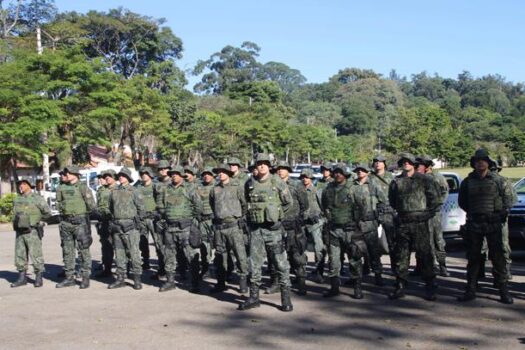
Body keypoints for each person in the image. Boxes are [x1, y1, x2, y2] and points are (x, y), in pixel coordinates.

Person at [457, 149, 516, 304]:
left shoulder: (499, 180)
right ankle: (470, 289)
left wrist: (500, 214)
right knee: (473, 257)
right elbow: (462, 202)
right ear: (474, 163)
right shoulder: (467, 182)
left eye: (483, 160)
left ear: (488, 163)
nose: (480, 162)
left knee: (498, 258)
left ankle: (504, 291)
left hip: (494, 223)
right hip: (475, 223)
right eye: (477, 160)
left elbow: (509, 200)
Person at [239, 153, 294, 312]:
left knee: (281, 263)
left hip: (273, 230)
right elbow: (247, 202)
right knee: (254, 263)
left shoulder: (277, 182)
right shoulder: (250, 183)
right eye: (259, 163)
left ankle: (286, 299)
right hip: (256, 230)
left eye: (265, 163)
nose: (261, 166)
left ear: (269, 166)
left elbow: (288, 203)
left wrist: (277, 217)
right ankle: (254, 297)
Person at [388, 153, 438, 301]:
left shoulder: (425, 180)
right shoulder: (396, 182)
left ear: (413, 164)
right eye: (403, 162)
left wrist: (426, 215)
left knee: (425, 255)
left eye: (409, 162)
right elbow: (392, 201)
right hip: (403, 222)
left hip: (420, 222)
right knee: (402, 256)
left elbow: (435, 199)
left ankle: (430, 286)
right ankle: (400, 286)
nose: (406, 164)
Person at [156, 166, 202, 293]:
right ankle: (170, 281)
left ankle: (195, 282)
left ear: (182, 176)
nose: (174, 176)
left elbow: (198, 206)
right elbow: (161, 206)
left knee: (190, 256)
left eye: (177, 174)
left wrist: (189, 219)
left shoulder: (189, 189)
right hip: (170, 228)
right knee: (169, 255)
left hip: (185, 228)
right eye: (172, 174)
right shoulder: (166, 190)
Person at [321, 163, 363, 299]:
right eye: (335, 172)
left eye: (340, 172)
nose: (338, 174)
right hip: (334, 230)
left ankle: (357, 288)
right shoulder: (328, 189)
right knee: (333, 261)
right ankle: (334, 287)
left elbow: (363, 207)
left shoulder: (353, 189)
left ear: (345, 174)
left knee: (354, 259)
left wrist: (356, 224)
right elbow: (324, 206)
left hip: (350, 231)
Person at [209, 163, 249, 294]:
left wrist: (239, 218)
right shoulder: (214, 189)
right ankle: (221, 282)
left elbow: (244, 205)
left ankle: (243, 281)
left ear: (228, 173)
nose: (220, 174)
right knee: (220, 255)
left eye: (223, 171)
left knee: (240, 254)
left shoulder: (238, 187)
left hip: (234, 226)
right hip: (219, 227)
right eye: (218, 172)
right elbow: (212, 205)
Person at [56, 165, 96, 289]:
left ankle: (85, 277)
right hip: (66, 223)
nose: (66, 175)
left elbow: (91, 206)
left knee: (83, 250)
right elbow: (59, 204)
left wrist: (82, 215)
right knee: (67, 250)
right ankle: (69, 277)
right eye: (66, 173)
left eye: (68, 173)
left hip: (80, 222)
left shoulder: (83, 188)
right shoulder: (61, 188)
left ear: (75, 174)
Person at [273, 160, 309, 296]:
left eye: (283, 168)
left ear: (288, 170)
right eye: (278, 169)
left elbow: (304, 204)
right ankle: (277, 283)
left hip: (293, 226)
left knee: (297, 254)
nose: (280, 171)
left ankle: (301, 282)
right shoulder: (273, 184)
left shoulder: (297, 186)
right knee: (276, 255)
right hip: (277, 225)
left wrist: (298, 218)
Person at [108, 167, 144, 290]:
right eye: (120, 175)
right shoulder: (113, 191)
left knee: (134, 254)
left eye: (123, 175)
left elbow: (141, 209)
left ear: (128, 177)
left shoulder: (134, 191)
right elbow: (110, 208)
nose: (121, 177)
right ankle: (120, 278)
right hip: (117, 226)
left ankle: (137, 279)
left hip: (131, 227)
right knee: (119, 254)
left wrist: (135, 223)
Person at [11, 179, 51, 288]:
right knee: (20, 254)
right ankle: (22, 277)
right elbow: (14, 214)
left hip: (32, 231)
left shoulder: (37, 199)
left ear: (29, 186)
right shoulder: (17, 199)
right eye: (20, 184)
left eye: (24, 184)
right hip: (20, 232)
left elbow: (47, 213)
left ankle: (39, 277)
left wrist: (40, 222)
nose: (21, 186)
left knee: (36, 254)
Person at [351, 163, 386, 287]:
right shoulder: (352, 186)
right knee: (355, 252)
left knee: (374, 251)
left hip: (370, 224)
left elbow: (383, 201)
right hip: (356, 224)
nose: (360, 172)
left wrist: (379, 217)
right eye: (358, 170)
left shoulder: (373, 185)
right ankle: (356, 278)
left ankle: (378, 275)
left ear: (367, 172)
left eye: (362, 170)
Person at [416, 155, 450, 277]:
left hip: (434, 214)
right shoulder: (417, 178)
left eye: (420, 165)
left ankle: (442, 266)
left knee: (438, 240)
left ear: (427, 166)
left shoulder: (437, 177)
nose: (417, 167)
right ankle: (421, 267)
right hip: (420, 214)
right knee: (421, 241)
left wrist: (435, 206)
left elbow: (445, 193)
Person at [369, 155, 396, 273]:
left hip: (388, 211)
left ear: (384, 164)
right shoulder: (369, 178)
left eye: (380, 162)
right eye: (375, 162)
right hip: (374, 211)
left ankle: (395, 268)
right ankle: (376, 271)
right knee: (372, 242)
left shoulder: (391, 177)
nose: (378, 164)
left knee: (392, 242)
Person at [136, 167, 165, 273]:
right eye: (142, 173)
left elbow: (161, 201)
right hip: (142, 218)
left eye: (146, 173)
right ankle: (146, 262)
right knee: (142, 242)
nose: (144, 175)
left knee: (158, 242)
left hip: (153, 218)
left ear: (150, 175)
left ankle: (162, 264)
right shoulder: (138, 188)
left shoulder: (156, 186)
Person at [300, 168, 326, 285]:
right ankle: (300, 273)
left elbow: (324, 208)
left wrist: (322, 219)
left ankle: (319, 272)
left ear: (311, 178)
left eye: (307, 177)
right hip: (302, 223)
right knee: (300, 248)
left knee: (318, 248)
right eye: (303, 177)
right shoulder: (298, 191)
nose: (305, 179)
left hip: (316, 224)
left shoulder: (317, 191)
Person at [94, 169, 118, 278]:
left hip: (116, 221)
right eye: (104, 177)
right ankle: (107, 269)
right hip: (103, 221)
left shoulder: (119, 189)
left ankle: (124, 270)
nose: (104, 179)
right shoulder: (101, 190)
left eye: (108, 176)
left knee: (120, 246)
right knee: (106, 246)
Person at [196, 167, 216, 278]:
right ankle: (206, 268)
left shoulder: (217, 187)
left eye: (209, 174)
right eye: (204, 174)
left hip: (214, 220)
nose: (206, 176)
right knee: (204, 244)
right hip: (202, 220)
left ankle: (224, 269)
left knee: (219, 245)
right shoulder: (198, 187)